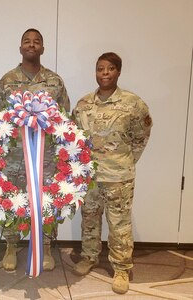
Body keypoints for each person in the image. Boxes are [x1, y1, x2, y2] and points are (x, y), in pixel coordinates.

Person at [72, 52, 152, 294]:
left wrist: (127, 160)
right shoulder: (83, 104)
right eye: (100, 69)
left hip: (119, 177)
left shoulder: (133, 103)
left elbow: (142, 135)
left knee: (119, 224)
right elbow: (75, 139)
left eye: (110, 69)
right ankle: (89, 256)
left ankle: (121, 268)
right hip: (90, 177)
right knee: (89, 219)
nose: (104, 73)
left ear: (119, 71)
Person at [0, 28, 70, 272]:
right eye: (27, 41)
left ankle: (45, 246)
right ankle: (11, 246)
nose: (32, 45)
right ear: (20, 48)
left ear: (43, 49)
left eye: (37, 42)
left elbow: (65, 117)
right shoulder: (7, 81)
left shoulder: (55, 82)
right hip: (15, 155)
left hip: (46, 157)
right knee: (12, 199)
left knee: (47, 199)